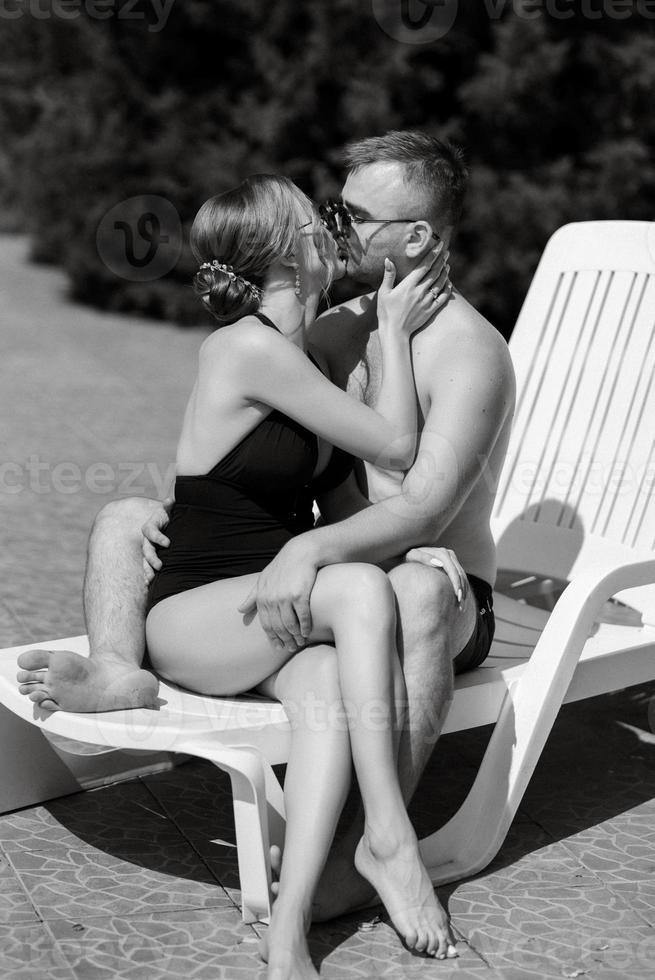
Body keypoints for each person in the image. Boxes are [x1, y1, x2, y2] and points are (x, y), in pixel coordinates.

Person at [17, 130, 514, 923]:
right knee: (129, 515)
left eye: (352, 215)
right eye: (331, 213)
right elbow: (263, 460)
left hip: (442, 592)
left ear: (417, 237)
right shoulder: (327, 330)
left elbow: (422, 508)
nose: (334, 225)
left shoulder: (467, 352)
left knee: (415, 588)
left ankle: (369, 849)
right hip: (323, 576)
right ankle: (122, 669)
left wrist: (308, 548)